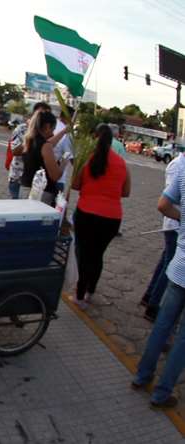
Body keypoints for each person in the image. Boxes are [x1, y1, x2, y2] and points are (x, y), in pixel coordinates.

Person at [132, 163, 185, 409]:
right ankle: (162, 393)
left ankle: (142, 376)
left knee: (163, 324)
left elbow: (163, 204)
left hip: (179, 267)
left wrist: (182, 217)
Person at [70, 124, 131, 309]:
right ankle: (90, 292)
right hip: (112, 218)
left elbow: (75, 185)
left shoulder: (87, 158)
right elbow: (126, 192)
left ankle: (79, 296)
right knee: (97, 255)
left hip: (86, 214)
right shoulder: (122, 163)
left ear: (95, 137)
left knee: (83, 253)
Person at [140, 145, 185, 321]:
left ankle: (149, 296)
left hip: (177, 223)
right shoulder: (177, 165)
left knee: (165, 261)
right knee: (169, 267)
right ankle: (153, 305)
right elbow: (169, 198)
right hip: (174, 224)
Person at [19, 111, 69, 202]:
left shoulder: (29, 141)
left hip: (24, 189)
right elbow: (55, 176)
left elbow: (49, 143)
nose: (53, 133)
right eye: (53, 129)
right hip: (40, 194)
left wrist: (63, 132)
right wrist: (63, 163)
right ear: (47, 126)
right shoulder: (45, 146)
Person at [7, 102, 51, 199]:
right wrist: (32, 137)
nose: (44, 118)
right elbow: (15, 151)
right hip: (18, 177)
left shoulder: (48, 133)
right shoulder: (22, 129)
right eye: (41, 114)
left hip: (37, 180)